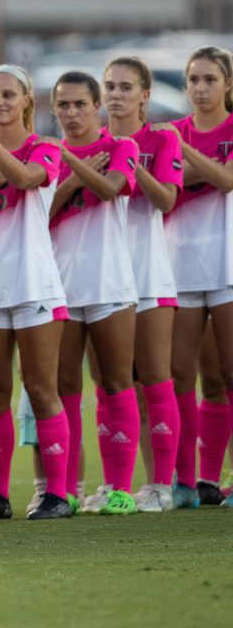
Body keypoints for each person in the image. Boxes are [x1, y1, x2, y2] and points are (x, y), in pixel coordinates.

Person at [0, 64, 72, 520]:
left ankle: (57, 494)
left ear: (28, 100)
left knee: (42, 388)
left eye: (8, 94)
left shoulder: (45, 146)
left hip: (33, 282)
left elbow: (28, 178)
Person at [48, 70, 141, 516]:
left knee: (115, 383)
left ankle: (119, 488)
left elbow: (111, 187)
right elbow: (36, 214)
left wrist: (75, 164)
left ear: (96, 106)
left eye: (79, 104)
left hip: (109, 281)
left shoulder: (122, 147)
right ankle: (66, 489)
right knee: (64, 387)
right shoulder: (48, 153)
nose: (70, 112)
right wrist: (69, 177)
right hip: (60, 286)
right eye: (63, 105)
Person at [102, 57, 183, 513]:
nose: (116, 95)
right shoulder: (91, 141)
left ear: (145, 95)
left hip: (148, 271)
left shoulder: (162, 139)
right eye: (110, 86)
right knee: (112, 384)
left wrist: (131, 164)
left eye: (125, 87)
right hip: (104, 276)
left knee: (155, 379)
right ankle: (115, 486)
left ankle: (161, 485)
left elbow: (167, 198)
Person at [162, 46, 233, 509]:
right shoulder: (171, 132)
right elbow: (165, 189)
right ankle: (188, 482)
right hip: (180, 265)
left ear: (227, 84)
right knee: (179, 375)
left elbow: (227, 181)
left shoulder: (179, 138)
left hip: (227, 265)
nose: (200, 88)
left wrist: (186, 157)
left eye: (209, 79)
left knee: (228, 373)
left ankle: (219, 477)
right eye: (193, 80)